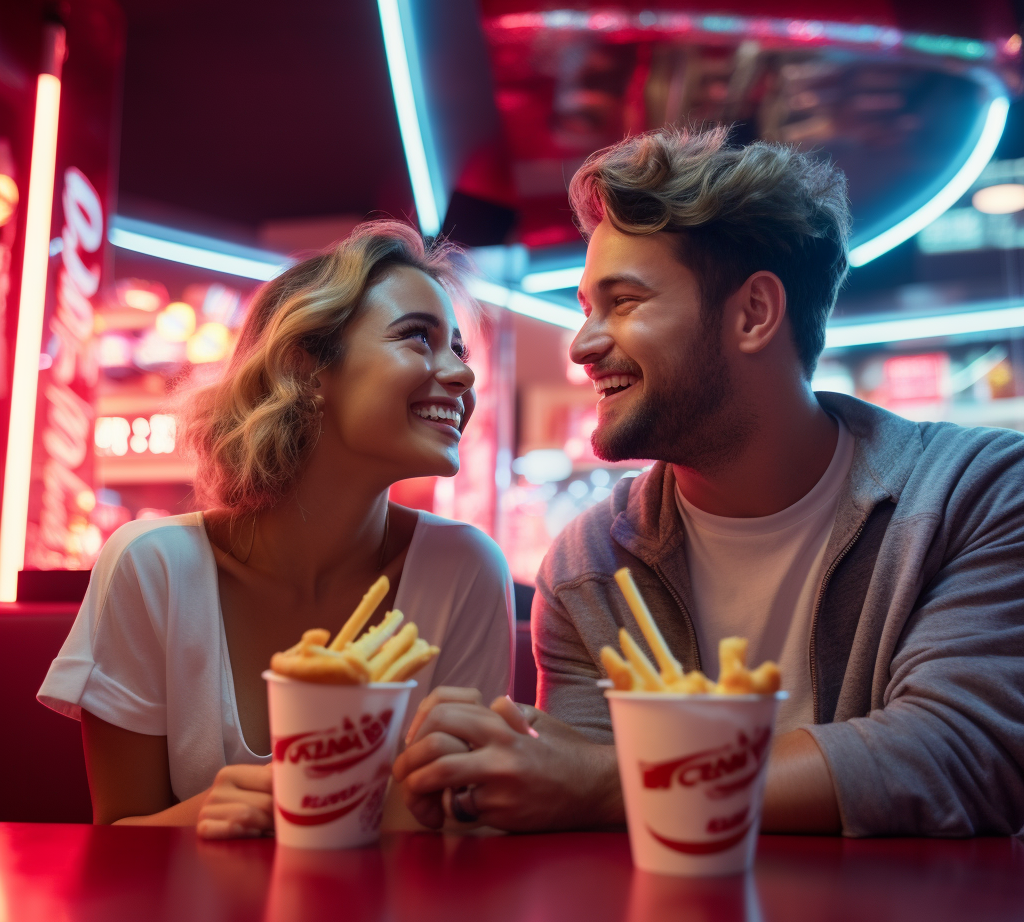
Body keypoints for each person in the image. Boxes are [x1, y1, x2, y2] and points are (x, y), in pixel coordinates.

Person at [394, 127, 1024, 837]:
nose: (582, 345)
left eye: (624, 302)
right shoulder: (590, 564)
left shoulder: (977, 495)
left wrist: (610, 788)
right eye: (584, 309)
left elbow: (959, 756)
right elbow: (572, 821)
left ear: (754, 313)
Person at [38, 221, 514, 838]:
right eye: (418, 338)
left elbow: (454, 835)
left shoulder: (467, 569)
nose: (461, 374)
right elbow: (118, 837)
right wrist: (203, 817)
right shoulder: (150, 566)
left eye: (459, 349)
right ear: (306, 368)